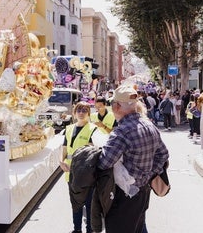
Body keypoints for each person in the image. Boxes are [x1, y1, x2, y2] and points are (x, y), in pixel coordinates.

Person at [98, 85, 169, 233]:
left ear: (117, 106)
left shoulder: (122, 131)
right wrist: (148, 174)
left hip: (124, 197)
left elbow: (104, 162)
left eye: (112, 104)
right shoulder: (149, 125)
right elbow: (163, 154)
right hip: (143, 192)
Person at [59, 101, 97, 233]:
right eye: (78, 110)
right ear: (74, 113)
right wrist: (61, 161)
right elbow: (64, 148)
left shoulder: (93, 129)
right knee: (75, 204)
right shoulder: (69, 128)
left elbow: (95, 151)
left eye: (84, 111)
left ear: (88, 113)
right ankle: (77, 229)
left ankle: (89, 230)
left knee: (89, 204)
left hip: (87, 175)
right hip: (71, 174)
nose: (81, 113)